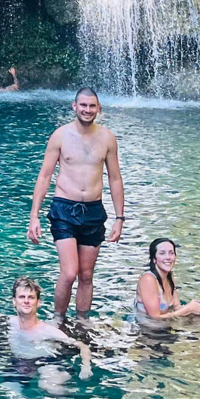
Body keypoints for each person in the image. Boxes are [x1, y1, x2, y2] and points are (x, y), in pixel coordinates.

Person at [27, 86, 125, 319]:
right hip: (64, 209)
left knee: (87, 275)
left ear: (98, 109)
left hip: (93, 210)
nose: (87, 110)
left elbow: (115, 178)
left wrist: (119, 218)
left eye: (92, 106)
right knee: (69, 273)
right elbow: (44, 176)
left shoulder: (107, 138)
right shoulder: (60, 135)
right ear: (74, 106)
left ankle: (82, 322)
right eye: (83, 105)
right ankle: (58, 320)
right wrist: (34, 216)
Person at [8, 276, 91, 393]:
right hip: (21, 362)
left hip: (48, 361)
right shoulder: (9, 323)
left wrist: (86, 366)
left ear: (38, 303)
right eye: (22, 297)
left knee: (49, 386)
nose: (26, 301)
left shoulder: (48, 331)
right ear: (14, 302)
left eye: (31, 298)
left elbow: (82, 346)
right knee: (11, 393)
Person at [134, 238, 200, 320]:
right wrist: (187, 309)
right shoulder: (148, 279)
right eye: (162, 253)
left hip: (167, 324)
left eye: (171, 253)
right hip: (148, 329)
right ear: (154, 259)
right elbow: (154, 317)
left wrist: (196, 310)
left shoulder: (169, 276)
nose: (168, 257)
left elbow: (177, 307)